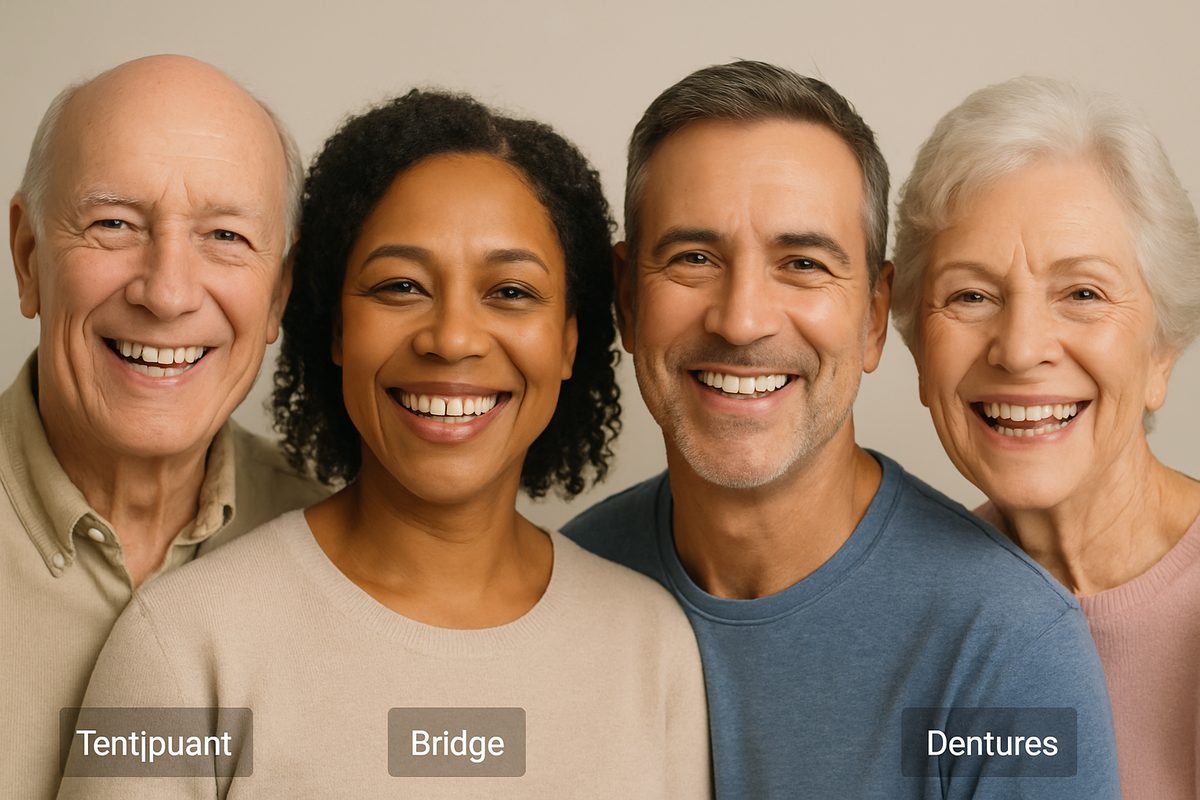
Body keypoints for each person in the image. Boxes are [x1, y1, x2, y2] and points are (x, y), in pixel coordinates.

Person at [58, 90, 711, 799]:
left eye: (512, 292)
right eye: (400, 286)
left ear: (568, 342)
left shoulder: (651, 643)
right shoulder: (185, 642)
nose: (453, 338)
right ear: (336, 329)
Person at [563, 60, 1120, 797]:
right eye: (694, 258)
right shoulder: (563, 591)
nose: (743, 319)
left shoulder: (1007, 648)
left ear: (872, 315)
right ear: (628, 299)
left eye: (802, 262)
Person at [1, 55, 325, 799]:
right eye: (113, 224)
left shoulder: (341, 551)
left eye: (225, 237)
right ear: (28, 260)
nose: (168, 292)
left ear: (279, 292)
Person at [891, 75, 1200, 799]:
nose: (1021, 348)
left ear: (1162, 351)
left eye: (1082, 293)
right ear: (915, 348)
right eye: (971, 295)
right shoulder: (902, 622)